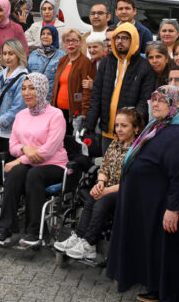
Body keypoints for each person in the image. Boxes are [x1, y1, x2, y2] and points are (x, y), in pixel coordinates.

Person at [106, 85, 179, 302]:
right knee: (156, 250)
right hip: (149, 206)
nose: (155, 104)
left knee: (168, 252)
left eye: (162, 100)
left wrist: (174, 208)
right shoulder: (158, 126)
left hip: (164, 207)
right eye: (154, 99)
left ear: (175, 105)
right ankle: (158, 289)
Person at [0, 73, 68, 247]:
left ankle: (34, 232)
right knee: (16, 174)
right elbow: (13, 146)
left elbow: (47, 151)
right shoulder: (21, 115)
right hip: (30, 164)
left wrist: (19, 160)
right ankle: (5, 228)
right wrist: (25, 149)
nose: (26, 92)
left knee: (32, 173)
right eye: (24, 88)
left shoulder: (56, 115)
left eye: (32, 88)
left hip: (54, 164)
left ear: (42, 90)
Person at [55, 107, 142, 261]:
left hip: (128, 191)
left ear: (136, 128)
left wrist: (105, 191)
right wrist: (100, 182)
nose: (119, 129)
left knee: (102, 200)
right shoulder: (115, 144)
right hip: (109, 187)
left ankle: (90, 243)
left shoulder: (138, 150)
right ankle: (79, 238)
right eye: (117, 125)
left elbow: (131, 182)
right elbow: (105, 167)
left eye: (124, 126)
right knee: (92, 196)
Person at [84, 23, 155, 150]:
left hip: (130, 134)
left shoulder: (144, 66)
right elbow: (96, 95)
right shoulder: (106, 62)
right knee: (106, 162)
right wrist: (89, 124)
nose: (120, 41)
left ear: (133, 40)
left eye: (125, 38)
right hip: (107, 131)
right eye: (117, 37)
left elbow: (144, 100)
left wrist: (133, 125)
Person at [51, 29, 95, 133]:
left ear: (81, 42)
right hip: (58, 111)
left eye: (74, 40)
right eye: (67, 40)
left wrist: (84, 113)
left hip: (75, 113)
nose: (71, 43)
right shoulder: (62, 60)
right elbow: (56, 86)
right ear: (64, 43)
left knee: (72, 140)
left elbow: (87, 91)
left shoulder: (85, 62)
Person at [26, 24, 64, 94]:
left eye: (49, 34)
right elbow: (27, 77)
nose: (45, 36)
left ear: (54, 37)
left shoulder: (62, 56)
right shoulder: (33, 54)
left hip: (51, 98)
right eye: (43, 34)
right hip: (34, 97)